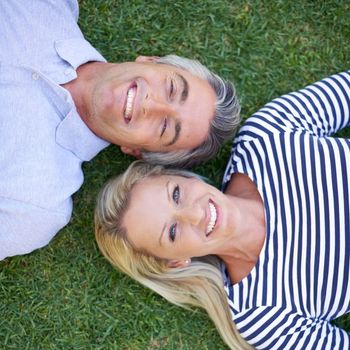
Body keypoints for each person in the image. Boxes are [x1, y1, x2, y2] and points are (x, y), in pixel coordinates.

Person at [95, 70, 350, 349]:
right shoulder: (261, 314)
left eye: (176, 194)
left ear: (184, 176)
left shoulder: (265, 138)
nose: (194, 214)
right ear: (176, 262)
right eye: (172, 232)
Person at [0, 0, 239, 260]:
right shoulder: (46, 5)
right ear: (152, 61)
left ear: (136, 150)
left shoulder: (36, 206)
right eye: (171, 89)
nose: (151, 105)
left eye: (165, 127)